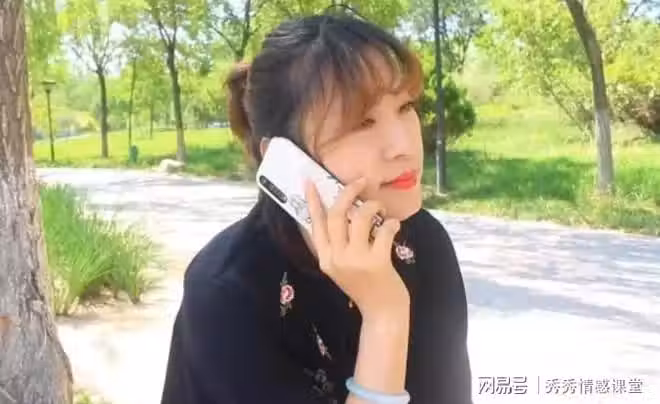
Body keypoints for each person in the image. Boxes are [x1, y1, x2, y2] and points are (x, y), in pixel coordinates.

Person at [160, 11, 473, 404]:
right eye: (363, 123)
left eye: (405, 107)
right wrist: (384, 315)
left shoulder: (422, 244)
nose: (403, 146)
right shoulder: (229, 290)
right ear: (284, 159)